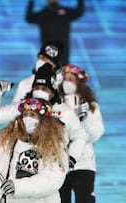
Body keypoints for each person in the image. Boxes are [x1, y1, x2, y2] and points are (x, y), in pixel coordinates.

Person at [0, 98, 68, 202]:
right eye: (25, 114)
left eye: (33, 115)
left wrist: (17, 187)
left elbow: (52, 179)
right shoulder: (9, 137)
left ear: (44, 120)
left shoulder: (55, 145)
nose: (27, 118)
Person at [0, 65, 89, 174]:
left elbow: (80, 135)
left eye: (44, 89)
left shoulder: (65, 112)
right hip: (23, 166)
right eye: (37, 88)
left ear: (52, 92)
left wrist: (72, 158)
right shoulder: (24, 107)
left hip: (52, 168)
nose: (39, 92)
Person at [58, 64, 104, 203]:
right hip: (61, 164)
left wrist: (84, 121)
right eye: (65, 78)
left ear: (79, 82)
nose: (67, 82)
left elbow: (96, 133)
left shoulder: (91, 106)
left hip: (85, 164)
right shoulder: (55, 104)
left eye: (71, 79)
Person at [25, 0, 84, 65]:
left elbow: (79, 12)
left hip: (62, 48)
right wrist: (31, 4)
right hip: (48, 48)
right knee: (48, 69)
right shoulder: (43, 14)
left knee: (62, 68)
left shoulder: (66, 12)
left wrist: (80, 1)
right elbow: (29, 18)